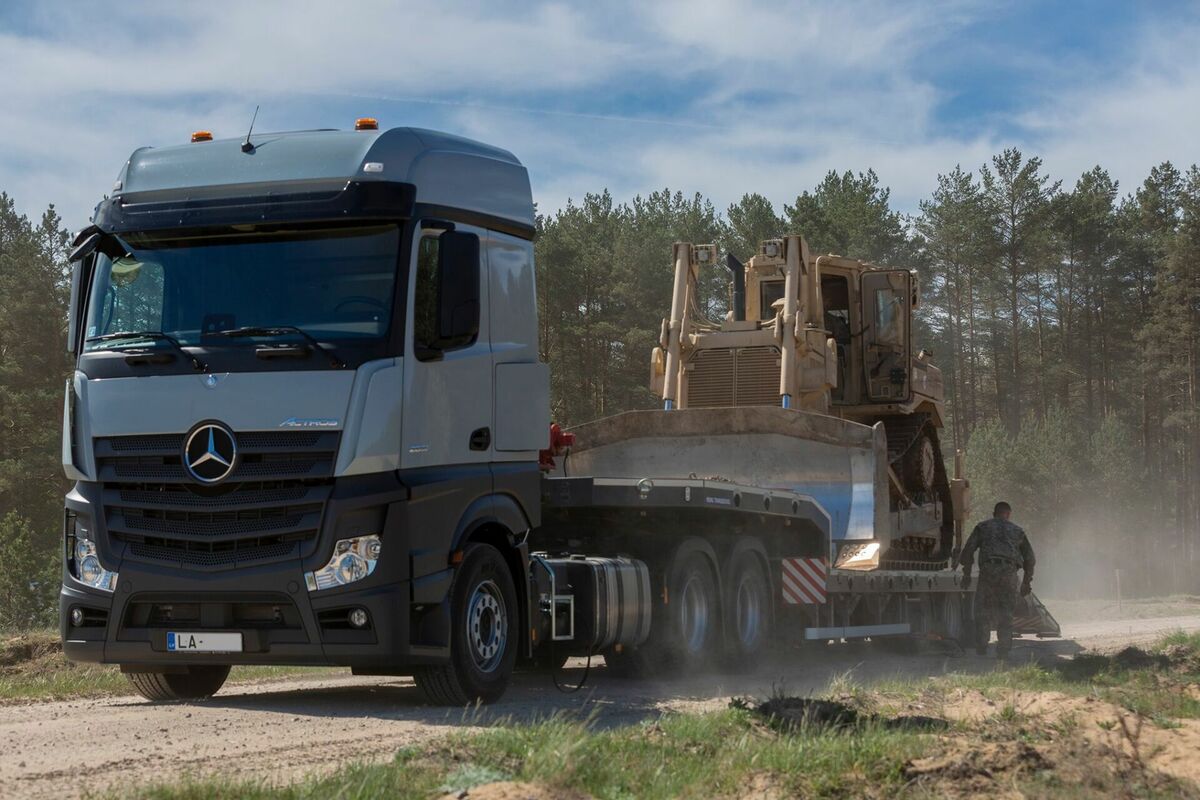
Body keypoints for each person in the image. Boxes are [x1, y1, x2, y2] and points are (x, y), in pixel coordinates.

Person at [957, 501, 1035, 658]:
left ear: (994, 514)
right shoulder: (1017, 531)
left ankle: (982, 646)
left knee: (983, 610)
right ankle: (1003, 649)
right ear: (1008, 514)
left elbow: (968, 551)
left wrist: (966, 574)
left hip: (988, 572)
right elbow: (1030, 559)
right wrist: (1026, 582)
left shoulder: (983, 527)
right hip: (1009, 573)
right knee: (1006, 612)